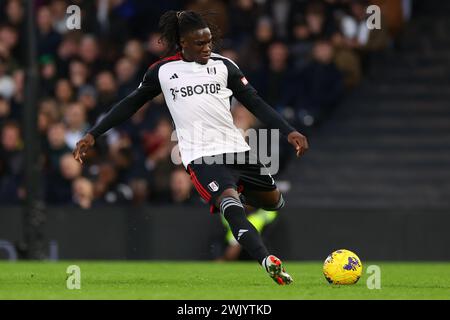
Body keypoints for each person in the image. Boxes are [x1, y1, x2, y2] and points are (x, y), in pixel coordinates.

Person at [73, 10, 309, 285]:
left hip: (236, 149)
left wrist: (289, 131)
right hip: (201, 155)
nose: (207, 47)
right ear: (183, 43)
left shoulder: (224, 66)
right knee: (229, 204)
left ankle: (236, 193)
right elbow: (131, 103)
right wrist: (94, 133)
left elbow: (255, 102)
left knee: (274, 202)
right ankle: (267, 260)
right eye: (200, 43)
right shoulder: (162, 71)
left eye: (209, 41)